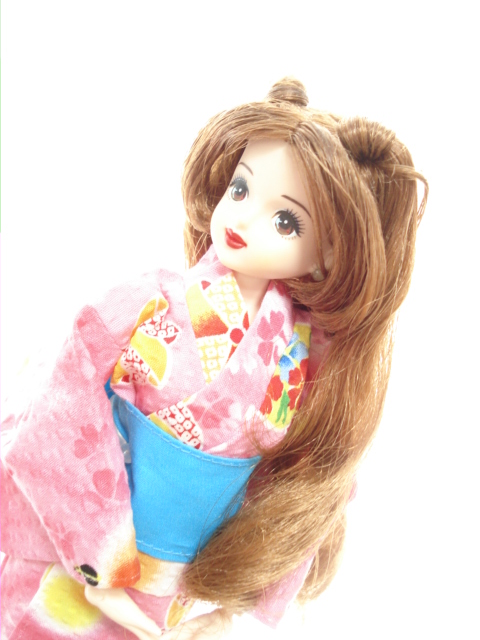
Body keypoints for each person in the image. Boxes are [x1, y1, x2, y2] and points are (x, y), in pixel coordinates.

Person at [0, 78, 427, 639]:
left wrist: (234, 604)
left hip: (179, 592)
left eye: (285, 220)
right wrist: (102, 563)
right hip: (82, 556)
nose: (241, 218)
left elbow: (303, 483)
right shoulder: (148, 300)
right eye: (241, 188)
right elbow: (64, 405)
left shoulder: (301, 359)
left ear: (328, 251)